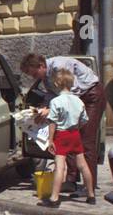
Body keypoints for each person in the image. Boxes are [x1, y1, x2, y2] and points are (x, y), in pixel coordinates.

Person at [20, 53, 105, 187]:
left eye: (35, 74)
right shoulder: (46, 77)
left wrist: (52, 110)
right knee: (68, 135)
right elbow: (52, 94)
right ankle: (71, 181)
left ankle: (90, 186)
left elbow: (72, 91)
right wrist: (42, 109)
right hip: (74, 99)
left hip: (90, 96)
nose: (34, 78)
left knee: (86, 140)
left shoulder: (59, 67)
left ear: (41, 66)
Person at [37, 68, 96, 208]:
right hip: (75, 134)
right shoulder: (79, 101)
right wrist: (76, 128)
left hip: (61, 135)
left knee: (60, 166)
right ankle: (91, 195)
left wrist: (50, 140)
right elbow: (84, 119)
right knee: (83, 165)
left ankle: (54, 198)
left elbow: (53, 122)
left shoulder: (56, 101)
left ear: (56, 84)